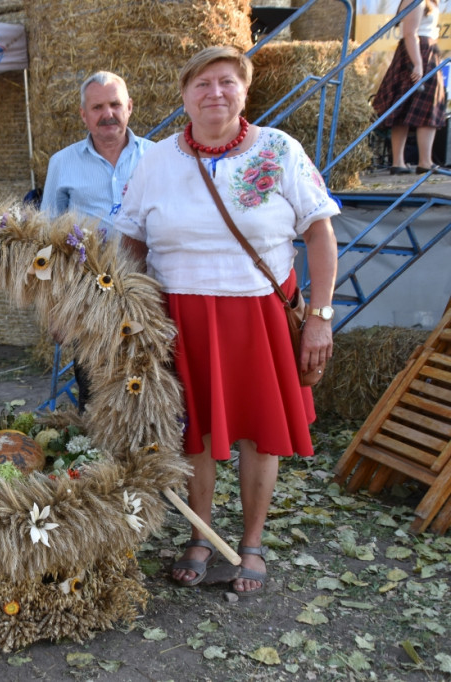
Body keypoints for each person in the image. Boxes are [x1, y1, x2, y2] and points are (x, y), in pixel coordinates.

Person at [116, 46, 339, 596]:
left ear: (244, 90)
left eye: (227, 82)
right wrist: (118, 311)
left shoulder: (280, 150)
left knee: (259, 436)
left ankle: (253, 542)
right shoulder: (156, 160)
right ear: (184, 95)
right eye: (202, 84)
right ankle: (200, 535)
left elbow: (319, 234)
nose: (214, 93)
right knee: (195, 433)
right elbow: (129, 242)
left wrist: (320, 317)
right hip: (180, 317)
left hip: (258, 315)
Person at [41, 71, 153, 411]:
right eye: (98, 107)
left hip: (150, 292)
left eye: (115, 104)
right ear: (84, 114)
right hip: (90, 298)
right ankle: (99, 458)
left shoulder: (158, 157)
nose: (108, 114)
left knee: (151, 384)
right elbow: (45, 241)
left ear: (130, 107)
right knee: (95, 390)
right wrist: (54, 309)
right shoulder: (62, 164)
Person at [373, 0, 446, 174]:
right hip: (418, 52)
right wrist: (418, 63)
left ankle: (417, 161)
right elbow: (409, 33)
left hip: (423, 51)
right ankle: (414, 162)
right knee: (419, 106)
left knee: (413, 107)